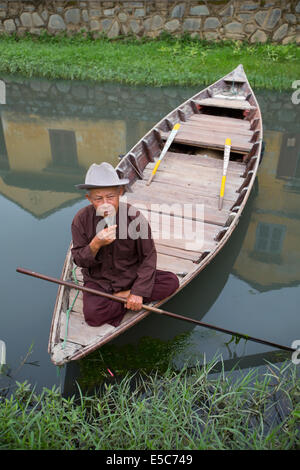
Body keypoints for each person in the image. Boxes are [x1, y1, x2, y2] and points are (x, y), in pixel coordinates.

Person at [71, 162, 179, 328]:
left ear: (120, 193)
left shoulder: (134, 218)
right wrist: (95, 244)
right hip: (100, 280)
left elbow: (148, 257)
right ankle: (125, 299)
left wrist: (137, 292)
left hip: (131, 276)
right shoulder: (81, 220)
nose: (105, 203)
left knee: (171, 282)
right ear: (89, 198)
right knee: (93, 315)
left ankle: (123, 296)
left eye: (111, 197)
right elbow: (79, 260)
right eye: (98, 198)